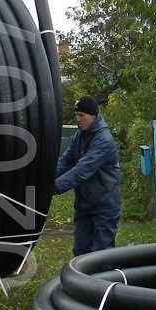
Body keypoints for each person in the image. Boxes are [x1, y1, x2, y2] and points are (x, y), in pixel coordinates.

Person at [54, 95, 121, 255]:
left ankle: (105, 273)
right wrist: (45, 179)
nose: (77, 119)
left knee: (101, 255)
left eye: (81, 115)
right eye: (76, 115)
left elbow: (82, 170)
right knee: (80, 251)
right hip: (84, 204)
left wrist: (52, 188)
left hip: (104, 206)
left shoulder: (104, 140)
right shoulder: (79, 135)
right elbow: (66, 161)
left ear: (93, 116)